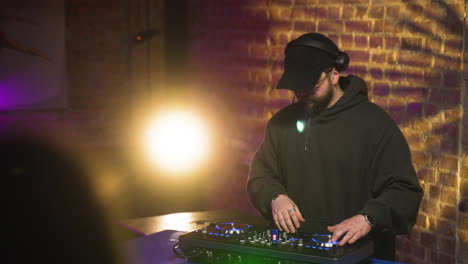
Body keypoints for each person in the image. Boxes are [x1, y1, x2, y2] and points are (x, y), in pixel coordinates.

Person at [246, 33, 423, 260]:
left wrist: (368, 218)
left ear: (334, 74)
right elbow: (260, 178)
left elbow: (404, 189)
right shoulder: (281, 123)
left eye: (311, 85)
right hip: (293, 253)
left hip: (358, 254)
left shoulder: (375, 124)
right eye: (297, 88)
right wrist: (275, 197)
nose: (302, 94)